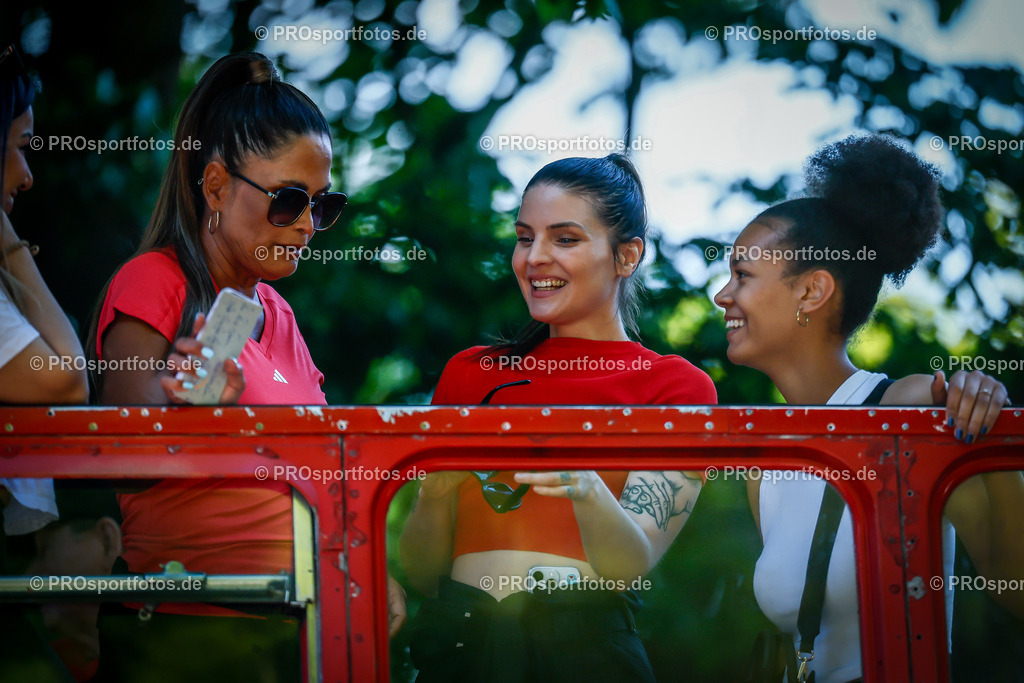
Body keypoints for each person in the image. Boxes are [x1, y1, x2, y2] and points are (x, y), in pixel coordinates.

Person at [84, 51, 403, 678]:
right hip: (189, 633)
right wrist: (183, 409)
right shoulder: (153, 282)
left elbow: (319, 472)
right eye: (289, 201)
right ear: (215, 187)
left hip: (296, 628)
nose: (309, 225)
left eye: (323, 205)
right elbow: (113, 447)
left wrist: (365, 568)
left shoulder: (279, 314)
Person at [712, 133, 1024, 683]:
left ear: (812, 292)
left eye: (742, 274)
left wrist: (991, 426)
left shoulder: (907, 408)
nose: (722, 296)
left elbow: (1013, 584)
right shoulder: (767, 465)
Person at [399, 154, 717, 682]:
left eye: (564, 239)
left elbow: (628, 566)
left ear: (627, 256)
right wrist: (433, 494)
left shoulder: (677, 387)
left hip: (586, 652)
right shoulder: (470, 373)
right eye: (525, 238)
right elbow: (422, 574)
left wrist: (583, 484)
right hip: (461, 646)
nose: (535, 258)